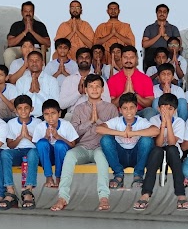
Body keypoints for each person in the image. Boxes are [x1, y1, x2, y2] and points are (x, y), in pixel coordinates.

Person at [50, 74, 118, 212]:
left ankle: (104, 197)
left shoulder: (111, 108)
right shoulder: (79, 109)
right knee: (69, 155)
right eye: (91, 86)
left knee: (101, 159)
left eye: (97, 86)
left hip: (100, 148)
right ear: (85, 89)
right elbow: (74, 133)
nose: (94, 89)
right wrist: (89, 122)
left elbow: (114, 133)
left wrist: (98, 121)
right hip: (82, 147)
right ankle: (63, 197)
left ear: (102, 90)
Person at [137, 93, 188, 212]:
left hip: (173, 153)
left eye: (170, 109)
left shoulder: (179, 122)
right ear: (159, 108)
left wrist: (168, 124)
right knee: (156, 151)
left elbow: (171, 143)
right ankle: (145, 193)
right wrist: (162, 125)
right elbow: (159, 143)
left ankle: (181, 194)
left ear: (175, 110)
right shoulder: (153, 120)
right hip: (158, 152)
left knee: (172, 150)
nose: (167, 112)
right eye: (164, 108)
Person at [97, 92, 156, 191]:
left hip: (136, 157)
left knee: (147, 140)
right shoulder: (116, 121)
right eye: (125, 108)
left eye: (132, 107)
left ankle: (138, 175)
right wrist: (122, 133)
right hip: (121, 156)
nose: (129, 111)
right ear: (120, 110)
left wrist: (133, 133)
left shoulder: (141, 121)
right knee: (105, 139)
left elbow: (155, 130)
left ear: (136, 108)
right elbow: (99, 129)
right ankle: (118, 174)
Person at [2, 96, 41, 208]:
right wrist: (19, 138)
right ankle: (10, 190)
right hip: (17, 151)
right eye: (20, 108)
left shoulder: (38, 122)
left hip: (32, 151)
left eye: (26, 108)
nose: (23, 111)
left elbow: (40, 146)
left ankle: (28, 190)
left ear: (32, 109)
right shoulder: (11, 123)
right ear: (15, 110)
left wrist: (28, 137)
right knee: (5, 154)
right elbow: (10, 145)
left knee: (33, 153)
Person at [33, 98, 77, 190]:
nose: (50, 117)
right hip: (47, 158)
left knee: (59, 144)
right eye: (46, 114)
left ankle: (59, 178)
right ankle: (49, 178)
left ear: (59, 114)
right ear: (43, 115)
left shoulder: (66, 125)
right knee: (42, 143)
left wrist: (58, 137)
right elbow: (37, 147)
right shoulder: (40, 126)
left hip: (62, 157)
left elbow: (73, 144)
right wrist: (46, 136)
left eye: (53, 113)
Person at [12, 49, 58, 113]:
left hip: (46, 118)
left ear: (42, 63)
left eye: (37, 60)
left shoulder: (52, 81)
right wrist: (30, 91)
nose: (34, 63)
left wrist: (38, 91)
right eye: (31, 61)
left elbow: (55, 104)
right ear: (27, 63)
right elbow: (18, 105)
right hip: (26, 118)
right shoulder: (21, 81)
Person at [4, 1, 50, 66]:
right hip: (19, 48)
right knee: (8, 53)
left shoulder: (40, 25)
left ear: (33, 12)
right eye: (26, 11)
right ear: (22, 12)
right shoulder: (16, 25)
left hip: (34, 49)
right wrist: (25, 32)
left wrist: (32, 32)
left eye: (30, 11)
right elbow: (10, 43)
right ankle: (11, 74)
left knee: (37, 55)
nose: (28, 13)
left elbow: (47, 43)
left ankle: (37, 75)